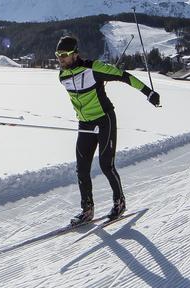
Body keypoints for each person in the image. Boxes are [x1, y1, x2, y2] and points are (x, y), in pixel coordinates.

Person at [55, 35, 160, 225]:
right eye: (58, 55)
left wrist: (149, 93)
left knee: (106, 165)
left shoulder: (93, 68)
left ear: (75, 54)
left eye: (64, 54)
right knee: (82, 169)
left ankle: (119, 202)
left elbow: (123, 76)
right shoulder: (62, 77)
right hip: (85, 124)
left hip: (104, 120)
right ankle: (87, 209)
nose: (60, 58)